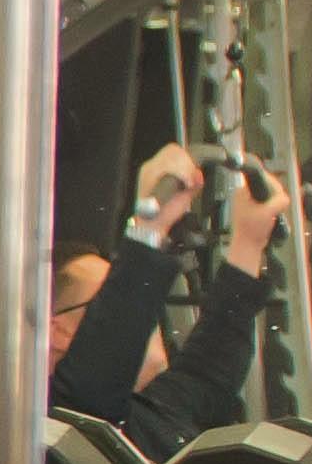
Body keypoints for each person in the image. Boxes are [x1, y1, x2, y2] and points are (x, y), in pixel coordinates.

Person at [44, 141, 291, 442]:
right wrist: (150, 228)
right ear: (57, 331)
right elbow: (94, 382)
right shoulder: (57, 426)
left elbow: (207, 371)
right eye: (106, 297)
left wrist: (248, 244)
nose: (141, 309)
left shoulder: (156, 414)